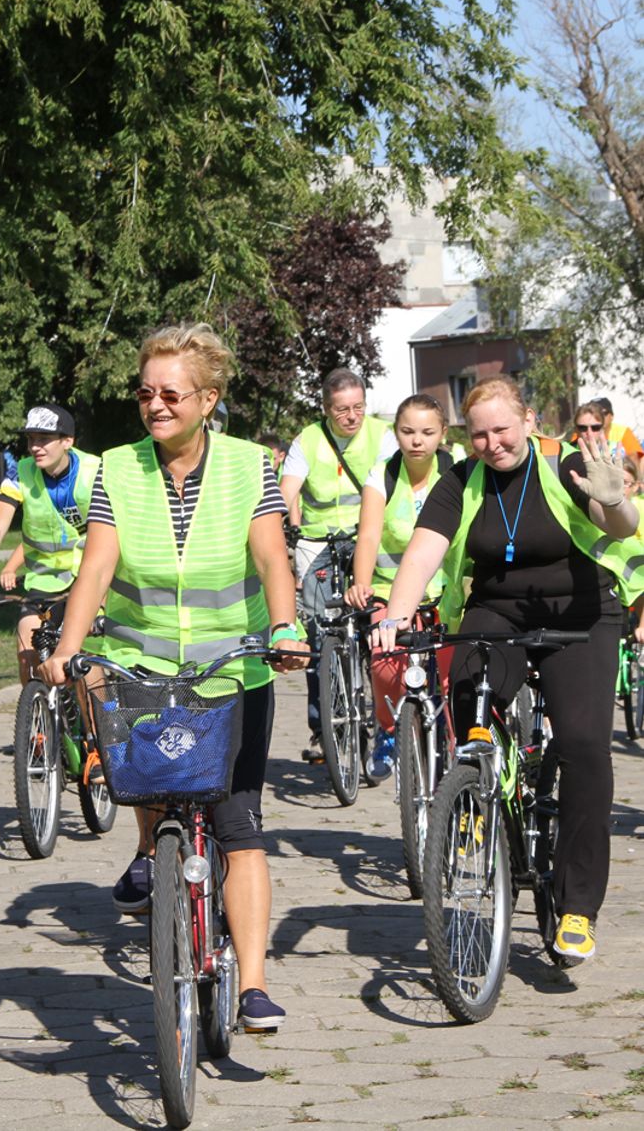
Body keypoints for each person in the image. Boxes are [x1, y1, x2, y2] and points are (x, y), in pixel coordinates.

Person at [41, 323, 308, 1033]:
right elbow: (96, 567)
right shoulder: (116, 470)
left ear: (209, 399)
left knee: (239, 823)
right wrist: (68, 649)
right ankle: (162, 885)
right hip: (146, 668)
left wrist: (284, 628)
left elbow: (273, 560)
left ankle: (252, 982)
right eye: (144, 393)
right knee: (157, 801)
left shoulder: (251, 466)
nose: (155, 405)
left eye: (170, 394)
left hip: (234, 671)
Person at [374, 374, 642, 963]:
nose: (492, 443)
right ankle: (479, 788)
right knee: (469, 688)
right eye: (479, 434)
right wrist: (393, 616)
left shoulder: (565, 464)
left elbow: (619, 526)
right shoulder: (461, 478)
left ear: (528, 420)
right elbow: (424, 549)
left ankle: (576, 908)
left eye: (502, 429)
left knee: (583, 746)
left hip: (582, 612)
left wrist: (616, 500)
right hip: (499, 608)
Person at [279, 369, 395, 763]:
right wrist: (276, 523)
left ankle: (382, 724)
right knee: (318, 634)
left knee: (375, 630)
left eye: (359, 407)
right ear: (326, 409)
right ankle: (321, 727)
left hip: (367, 537)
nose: (352, 417)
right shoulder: (307, 440)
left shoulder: (382, 435)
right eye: (342, 410)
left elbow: (386, 486)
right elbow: (287, 490)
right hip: (319, 542)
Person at [344, 394, 453, 780]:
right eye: (407, 431)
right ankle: (388, 732)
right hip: (390, 590)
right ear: (396, 433)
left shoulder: (457, 472)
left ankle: (456, 747)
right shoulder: (383, 474)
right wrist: (361, 582)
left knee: (451, 674)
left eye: (427, 432)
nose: (417, 440)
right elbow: (369, 535)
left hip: (446, 591)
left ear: (442, 434)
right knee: (386, 662)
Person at [0, 404, 99, 684]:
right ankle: (36, 721)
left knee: (83, 662)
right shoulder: (21, 472)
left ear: (67, 441)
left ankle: (101, 727)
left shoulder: (94, 471)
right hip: (43, 582)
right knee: (27, 650)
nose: (35, 446)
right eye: (31, 439)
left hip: (91, 579)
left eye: (44, 439)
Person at [588, 395, 644, 462]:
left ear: (612, 416)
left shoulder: (623, 432)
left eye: (603, 413)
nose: (599, 417)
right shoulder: (581, 431)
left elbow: (637, 461)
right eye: (594, 414)